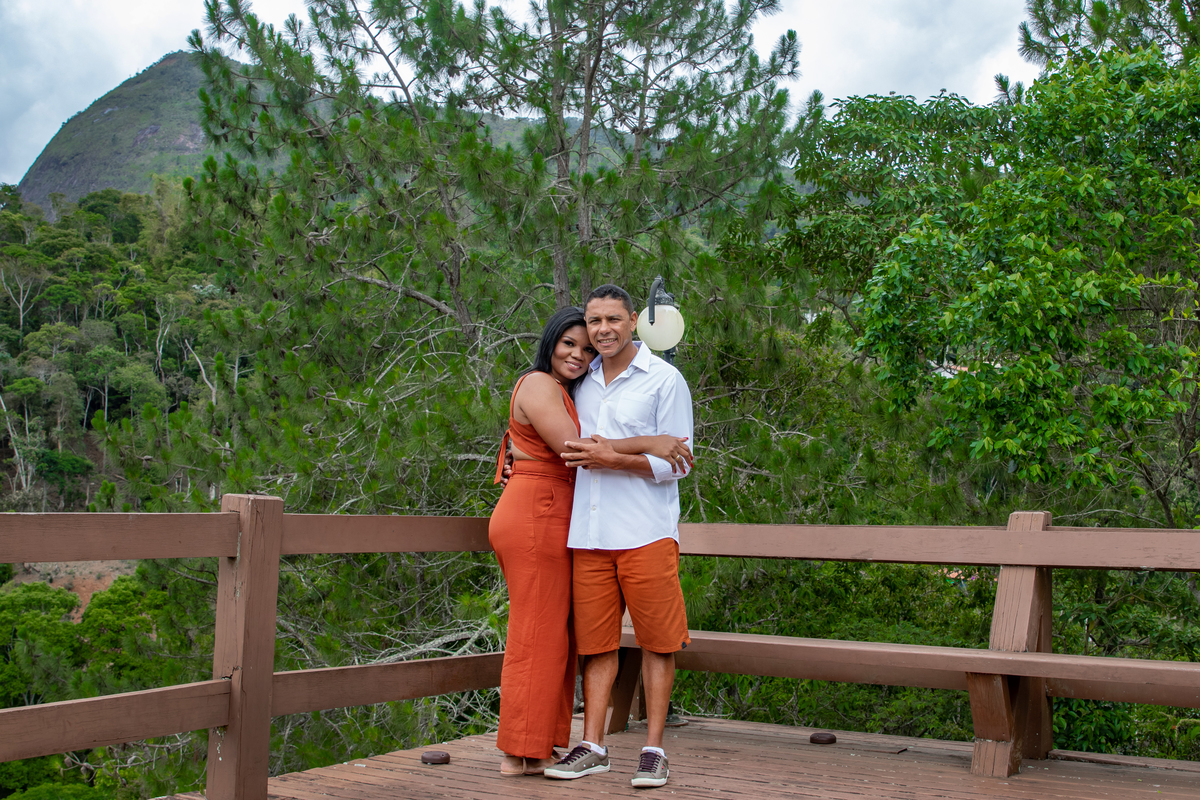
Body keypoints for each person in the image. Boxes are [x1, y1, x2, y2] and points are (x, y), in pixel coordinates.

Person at [489, 306, 693, 777]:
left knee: (578, 636)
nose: (580, 352)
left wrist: (513, 455)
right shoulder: (547, 383)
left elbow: (674, 457)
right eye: (570, 343)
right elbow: (574, 450)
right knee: (548, 634)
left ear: (631, 324)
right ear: (550, 344)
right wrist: (649, 441)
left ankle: (559, 745)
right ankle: (532, 749)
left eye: (586, 346)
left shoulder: (614, 382)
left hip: (604, 524)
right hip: (554, 521)